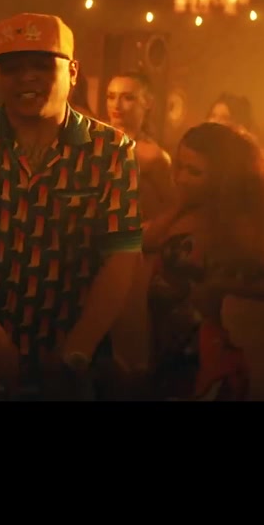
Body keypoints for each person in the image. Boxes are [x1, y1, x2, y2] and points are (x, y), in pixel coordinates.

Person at [0, 12, 145, 400]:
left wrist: (76, 349)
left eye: (41, 65)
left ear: (73, 72)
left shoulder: (111, 151)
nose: (26, 78)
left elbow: (122, 259)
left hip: (68, 367)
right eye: (12, 68)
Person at [143, 122, 264, 401]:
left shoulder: (237, 221)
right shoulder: (186, 209)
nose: (182, 178)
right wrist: (180, 205)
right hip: (168, 348)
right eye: (179, 167)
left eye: (194, 172)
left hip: (204, 354)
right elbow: (145, 241)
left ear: (221, 177)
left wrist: (218, 284)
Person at [102, 72, 178, 381]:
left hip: (132, 254)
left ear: (148, 103)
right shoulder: (95, 141)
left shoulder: (153, 156)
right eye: (111, 96)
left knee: (128, 339)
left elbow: (174, 208)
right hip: (93, 248)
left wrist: (147, 232)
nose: (116, 105)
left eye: (128, 97)